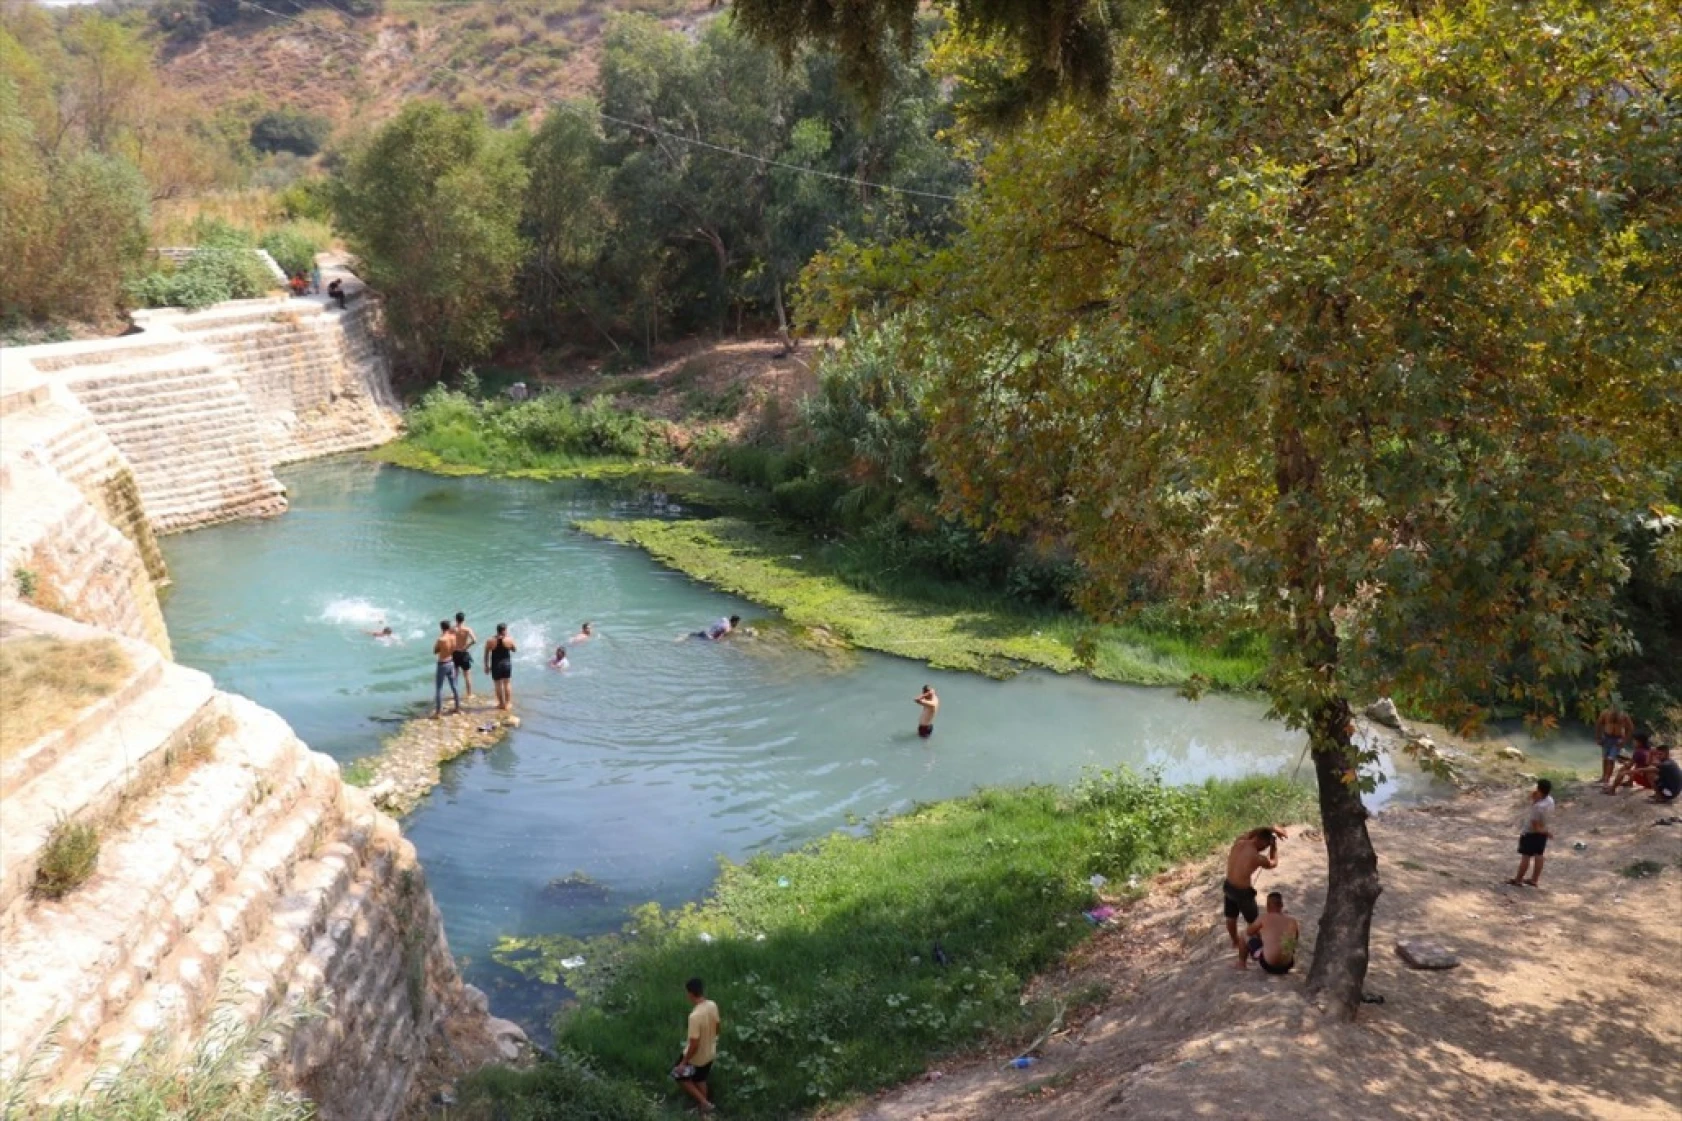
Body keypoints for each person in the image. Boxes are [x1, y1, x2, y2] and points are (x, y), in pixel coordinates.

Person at [1222, 826, 1285, 951]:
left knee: (1231, 917)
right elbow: (1273, 863)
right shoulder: (1256, 857)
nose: (1263, 849)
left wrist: (1271, 828)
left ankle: (1235, 941)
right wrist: (1273, 847)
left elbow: (1252, 832)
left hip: (1228, 886)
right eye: (1265, 846)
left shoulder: (1239, 841)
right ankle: (1258, 947)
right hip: (1243, 892)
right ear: (1263, 842)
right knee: (1254, 921)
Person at [671, 977, 720, 1114]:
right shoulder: (712, 1005)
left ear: (690, 994)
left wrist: (683, 1062)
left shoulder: (695, 1016)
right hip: (710, 1052)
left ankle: (704, 1103)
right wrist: (713, 1038)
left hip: (696, 1058)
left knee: (678, 1074)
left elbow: (694, 1043)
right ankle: (704, 1111)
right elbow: (717, 1025)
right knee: (700, 1079)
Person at [1508, 777, 1554, 887]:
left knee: (1526, 856)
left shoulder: (1538, 807)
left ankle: (1518, 879)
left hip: (1530, 833)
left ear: (1539, 789)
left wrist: (1546, 833)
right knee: (1539, 855)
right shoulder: (1550, 800)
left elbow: (1535, 827)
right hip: (1543, 830)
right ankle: (1534, 879)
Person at [1240, 891, 1300, 974]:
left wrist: (1260, 933)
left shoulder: (1263, 918)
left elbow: (1249, 932)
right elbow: (1294, 941)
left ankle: (1241, 964)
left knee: (1244, 933)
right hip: (1287, 965)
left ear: (1267, 906)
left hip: (1268, 965)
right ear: (1281, 905)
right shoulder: (1293, 921)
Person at [1595, 704, 1636, 785]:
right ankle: (1604, 777)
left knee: (1611, 759)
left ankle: (1607, 779)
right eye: (1613, 706)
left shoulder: (1624, 715)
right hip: (1606, 737)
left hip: (1617, 739)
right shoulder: (1605, 713)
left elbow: (1630, 728)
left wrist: (1624, 740)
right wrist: (1598, 738)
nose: (1614, 708)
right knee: (1605, 758)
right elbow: (1598, 724)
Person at [484, 623, 516, 711]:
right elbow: (514, 649)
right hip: (506, 664)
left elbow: (486, 654)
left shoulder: (490, 640)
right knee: (507, 683)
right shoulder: (509, 639)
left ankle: (501, 704)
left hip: (496, 665)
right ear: (504, 630)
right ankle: (508, 703)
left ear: (497, 630)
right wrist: (509, 644)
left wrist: (486, 666)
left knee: (497, 685)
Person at [431, 620, 461, 718]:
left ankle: (438, 712)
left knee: (439, 688)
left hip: (442, 663)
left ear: (441, 628)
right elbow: (454, 648)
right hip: (451, 662)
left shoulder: (441, 639)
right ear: (449, 627)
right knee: (454, 686)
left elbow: (435, 651)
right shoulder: (453, 637)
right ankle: (457, 708)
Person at [451, 612, 478, 700]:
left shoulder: (452, 629)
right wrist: (466, 647)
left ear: (456, 619)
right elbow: (474, 640)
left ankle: (454, 694)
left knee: (455, 675)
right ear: (463, 619)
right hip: (463, 653)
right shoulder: (467, 629)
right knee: (467, 675)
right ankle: (469, 694)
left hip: (455, 653)